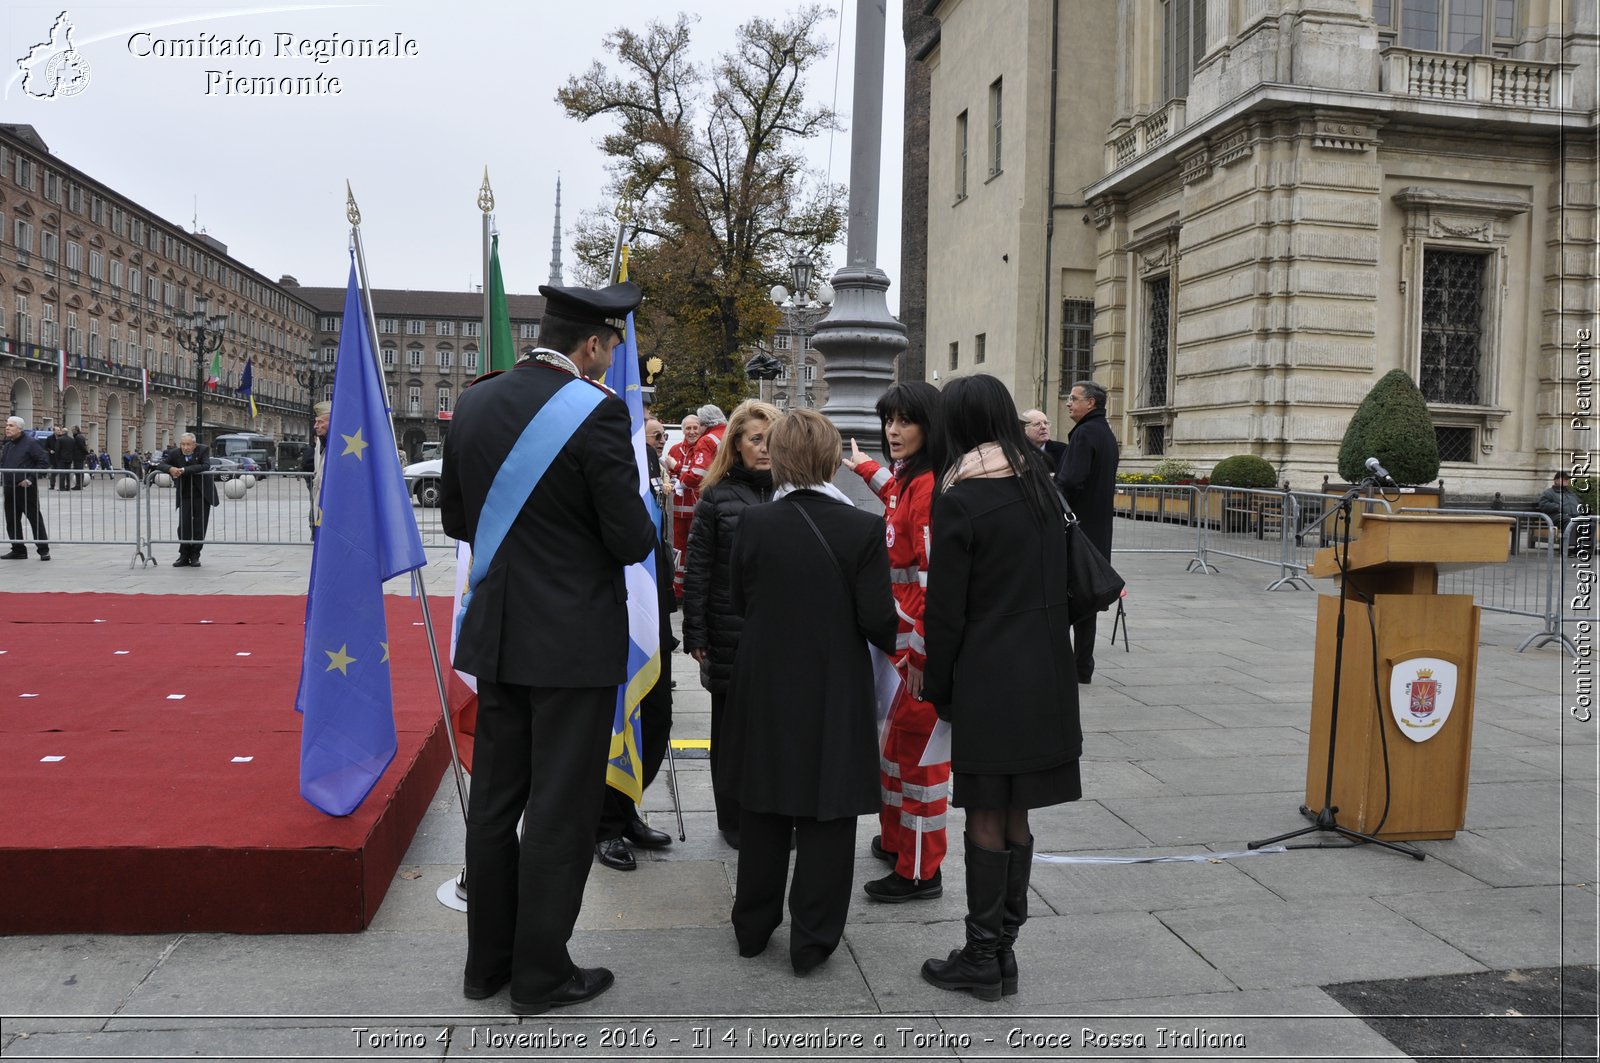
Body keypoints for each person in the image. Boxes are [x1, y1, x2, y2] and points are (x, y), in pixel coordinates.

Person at [440, 280, 656, 1016]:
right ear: (592, 345)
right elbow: (631, 536)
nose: (610, 362)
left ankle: (486, 964)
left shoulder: (472, 401)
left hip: (499, 636)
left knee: (497, 804)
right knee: (561, 811)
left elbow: (456, 520)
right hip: (571, 645)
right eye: (611, 348)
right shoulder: (598, 412)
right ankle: (541, 976)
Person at [921, 372, 1083, 1003]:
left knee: (986, 810)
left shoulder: (959, 495)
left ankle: (984, 956)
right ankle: (1002, 950)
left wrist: (939, 686)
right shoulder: (1041, 487)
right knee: (1014, 811)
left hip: (988, 674)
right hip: (1043, 672)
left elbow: (947, 610)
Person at [723, 408, 898, 974]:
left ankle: (752, 926)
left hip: (766, 680)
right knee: (829, 811)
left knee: (764, 803)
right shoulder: (863, 528)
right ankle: (813, 938)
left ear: (780, 457)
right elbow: (877, 619)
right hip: (833, 684)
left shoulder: (754, 523)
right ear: (828, 458)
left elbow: (739, 600)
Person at [841, 381, 950, 902]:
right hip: (900, 651)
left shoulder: (929, 488)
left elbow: (933, 587)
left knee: (919, 768)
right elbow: (892, 494)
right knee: (895, 755)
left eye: (905, 421)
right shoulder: (909, 481)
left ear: (930, 426)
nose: (893, 430)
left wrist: (921, 660)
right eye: (889, 420)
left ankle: (921, 871)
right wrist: (862, 465)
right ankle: (895, 841)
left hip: (917, 657)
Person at [682, 400, 781, 849]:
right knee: (730, 733)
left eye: (770, 440)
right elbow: (698, 570)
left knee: (776, 730)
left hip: (780, 635)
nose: (763, 449)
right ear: (735, 444)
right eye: (754, 439)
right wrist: (696, 634)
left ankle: (774, 810)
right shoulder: (716, 497)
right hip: (728, 630)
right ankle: (733, 817)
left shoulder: (790, 491)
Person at [592, 415, 678, 873]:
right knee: (615, 723)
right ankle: (604, 825)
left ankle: (627, 811)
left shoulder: (649, 467)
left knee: (657, 719)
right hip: (612, 616)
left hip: (652, 608)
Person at [1054, 380, 1119, 684]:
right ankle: (1082, 666)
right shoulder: (1105, 433)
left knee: (1066, 596)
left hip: (1076, 530)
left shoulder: (1084, 434)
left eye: (1074, 398)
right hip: (1097, 529)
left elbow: (1070, 482)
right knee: (1087, 600)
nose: (1068, 403)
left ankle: (1068, 666)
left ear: (1090, 403)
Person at [159, 433, 219, 567]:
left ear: (194, 445)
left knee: (199, 526)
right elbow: (161, 464)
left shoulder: (203, 450)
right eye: (183, 444)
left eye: (188, 445)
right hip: (185, 493)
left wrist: (184, 470)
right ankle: (183, 555)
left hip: (202, 494)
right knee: (183, 526)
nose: (185, 448)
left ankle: (195, 555)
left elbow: (205, 466)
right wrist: (170, 468)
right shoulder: (175, 453)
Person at [2, 416, 51, 560]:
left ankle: (43, 550)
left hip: (26, 489)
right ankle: (18, 550)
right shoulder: (8, 445)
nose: (7, 428)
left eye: (11, 425)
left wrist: (29, 479)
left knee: (34, 518)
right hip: (9, 488)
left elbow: (43, 462)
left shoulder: (31, 443)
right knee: (11, 520)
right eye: (7, 425)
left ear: (20, 428)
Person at [666, 413, 703, 600]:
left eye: (695, 427)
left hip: (696, 512)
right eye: (688, 428)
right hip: (677, 513)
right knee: (677, 553)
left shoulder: (703, 449)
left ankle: (694, 590)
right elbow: (669, 476)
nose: (692, 431)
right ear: (682, 430)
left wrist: (678, 467)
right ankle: (677, 591)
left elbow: (696, 476)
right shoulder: (673, 449)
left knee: (695, 553)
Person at [300, 401, 331, 540]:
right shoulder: (321, 443)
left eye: (320, 422)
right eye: (315, 421)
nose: (315, 426)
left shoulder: (338, 444)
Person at [1537, 472, 1586, 553]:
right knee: (1569, 521)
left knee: (1588, 521)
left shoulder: (1571, 494)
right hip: (1556, 515)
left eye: (1567, 479)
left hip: (1573, 515)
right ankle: (1567, 547)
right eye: (1563, 479)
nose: (1566, 481)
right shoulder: (1549, 493)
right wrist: (1557, 507)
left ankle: (1583, 547)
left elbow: (1580, 503)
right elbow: (1543, 505)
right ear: (1556, 481)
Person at [1021, 408, 1066, 475]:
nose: (1044, 427)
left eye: (1046, 423)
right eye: (1037, 424)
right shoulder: (1017, 451)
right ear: (1024, 429)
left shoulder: (1063, 450)